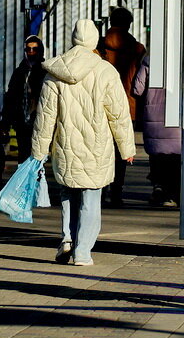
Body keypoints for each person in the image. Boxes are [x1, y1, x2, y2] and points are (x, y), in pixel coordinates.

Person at [31, 19, 135, 266]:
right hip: (96, 147)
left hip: (65, 145)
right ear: (95, 41)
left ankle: (67, 238)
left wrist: (38, 152)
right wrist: (127, 148)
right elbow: (118, 115)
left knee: (68, 193)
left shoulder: (55, 72)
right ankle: (83, 252)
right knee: (91, 198)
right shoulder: (106, 71)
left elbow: (45, 118)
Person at [97, 8, 145, 206]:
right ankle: (117, 191)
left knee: (100, 148)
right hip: (127, 105)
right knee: (121, 150)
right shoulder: (137, 49)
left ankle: (100, 190)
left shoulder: (98, 47)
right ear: (129, 24)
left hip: (101, 104)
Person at [131, 55, 181, 207]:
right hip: (177, 115)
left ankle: (159, 189)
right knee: (176, 157)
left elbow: (137, 89)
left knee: (157, 155)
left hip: (154, 116)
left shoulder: (150, 59)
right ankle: (174, 194)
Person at [3, 35, 46, 162]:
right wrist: (5, 123)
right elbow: (10, 98)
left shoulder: (45, 71)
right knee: (23, 156)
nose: (31, 52)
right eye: (28, 49)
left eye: (35, 49)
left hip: (39, 121)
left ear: (40, 51)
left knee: (38, 157)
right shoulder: (19, 72)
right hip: (22, 122)